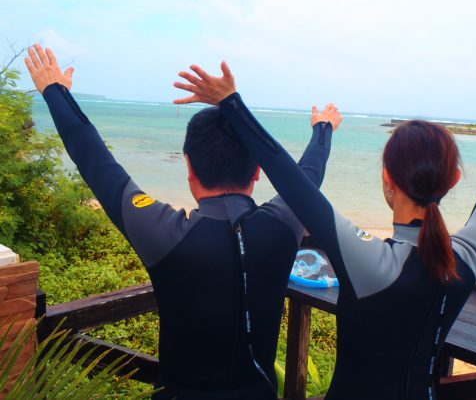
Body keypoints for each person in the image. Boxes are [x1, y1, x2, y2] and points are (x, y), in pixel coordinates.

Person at [173, 57, 476, 399]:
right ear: (453, 181)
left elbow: (290, 179)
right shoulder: (469, 254)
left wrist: (232, 104)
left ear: (387, 179)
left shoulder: (371, 261)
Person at [24, 45, 343, 400]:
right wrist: (323, 128)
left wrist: (56, 92)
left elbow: (97, 163)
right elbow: (307, 175)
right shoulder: (284, 223)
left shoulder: (164, 233)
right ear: (257, 171)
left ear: (189, 166)